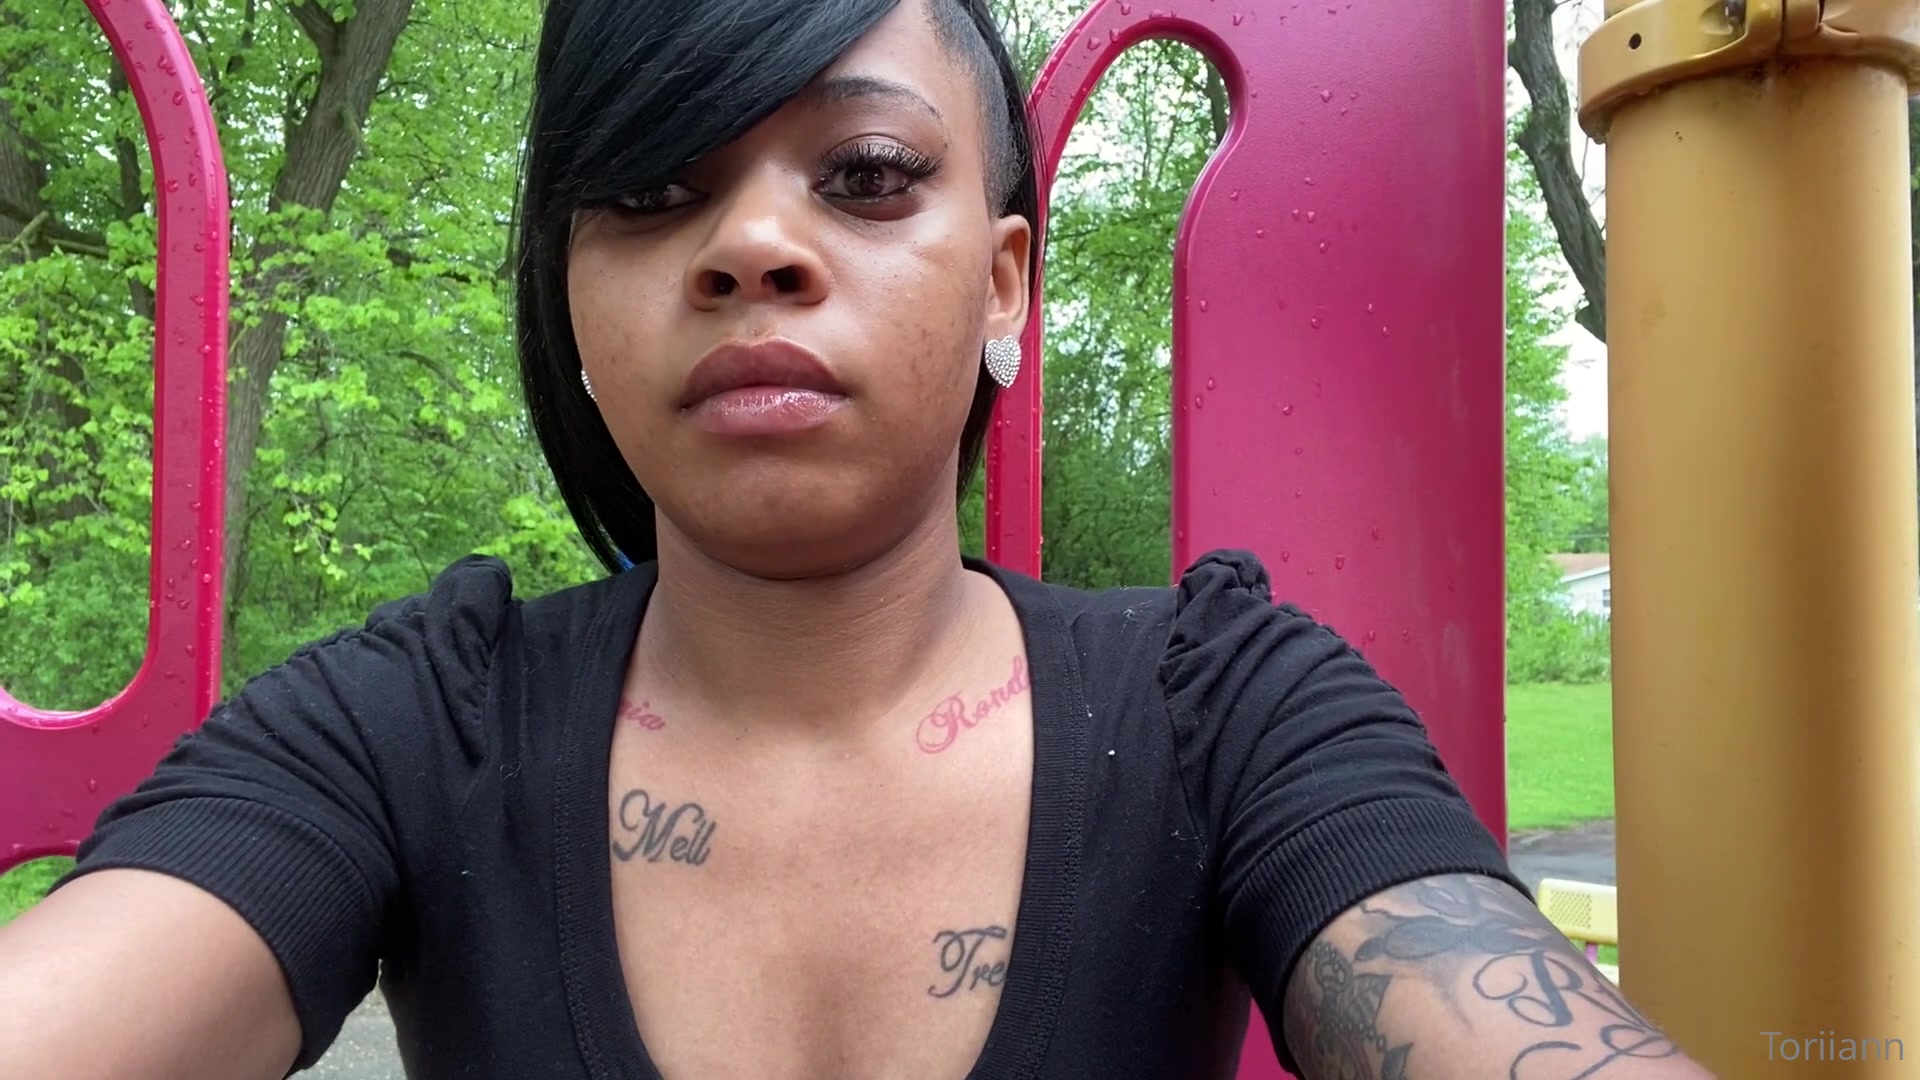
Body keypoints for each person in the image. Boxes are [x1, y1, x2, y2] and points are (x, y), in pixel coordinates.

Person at [0, 1, 1715, 1077]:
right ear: (574, 302)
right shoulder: (399, 726)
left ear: (1007, 285)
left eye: (871, 172)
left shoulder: (1232, 706)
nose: (752, 245)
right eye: (653, 190)